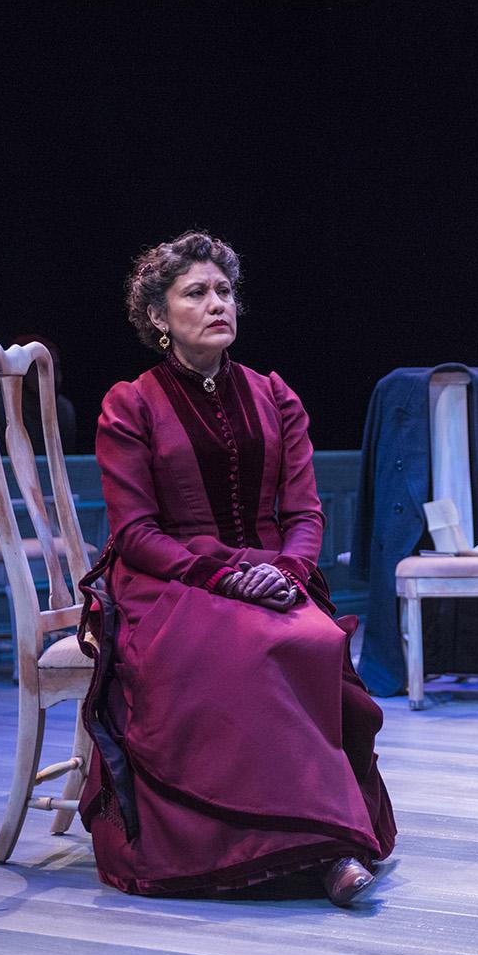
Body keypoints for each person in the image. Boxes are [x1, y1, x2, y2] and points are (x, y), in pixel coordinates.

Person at [78, 231, 396, 905]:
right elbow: (135, 532)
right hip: (171, 579)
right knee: (255, 647)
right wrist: (222, 577)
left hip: (270, 572)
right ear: (159, 318)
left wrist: (285, 571)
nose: (218, 302)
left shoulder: (275, 395)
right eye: (196, 292)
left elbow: (305, 512)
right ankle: (328, 848)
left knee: (311, 637)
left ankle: (312, 840)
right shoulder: (129, 405)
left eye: (224, 291)